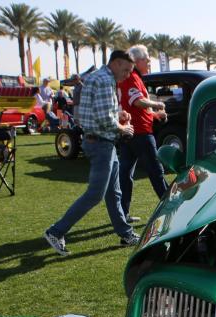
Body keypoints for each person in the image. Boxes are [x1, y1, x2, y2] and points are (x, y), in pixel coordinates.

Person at [44, 50, 139, 256]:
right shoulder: (105, 80)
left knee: (114, 194)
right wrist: (123, 128)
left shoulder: (100, 77)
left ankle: (126, 233)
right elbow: (104, 118)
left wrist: (118, 114)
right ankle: (56, 231)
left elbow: (100, 112)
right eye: (126, 70)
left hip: (101, 142)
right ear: (115, 63)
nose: (127, 75)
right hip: (101, 143)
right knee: (95, 194)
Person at [117, 44, 168, 219]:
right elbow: (137, 101)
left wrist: (154, 115)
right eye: (147, 59)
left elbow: (135, 107)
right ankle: (171, 209)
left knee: (125, 174)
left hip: (130, 132)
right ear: (137, 61)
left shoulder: (132, 76)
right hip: (140, 134)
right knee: (156, 172)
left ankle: (123, 213)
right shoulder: (132, 77)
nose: (149, 63)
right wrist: (157, 104)